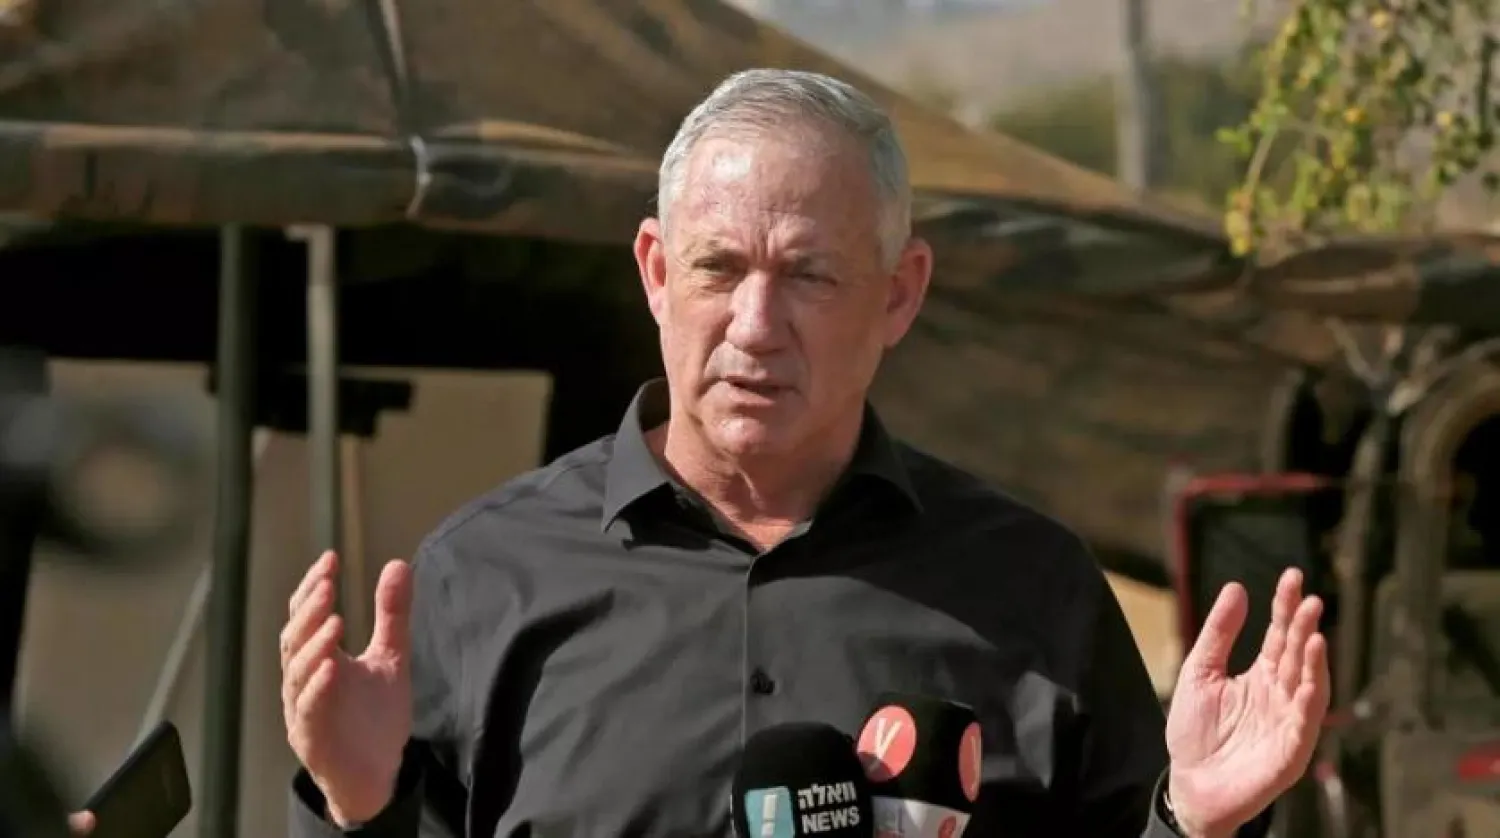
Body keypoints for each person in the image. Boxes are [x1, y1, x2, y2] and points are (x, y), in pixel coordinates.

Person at [281, 68, 1329, 837]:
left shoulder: (1030, 588)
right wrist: (357, 806)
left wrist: (1191, 819)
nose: (755, 322)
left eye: (811, 277)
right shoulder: (485, 576)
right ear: (654, 272)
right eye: (718, 266)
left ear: (900, 293)